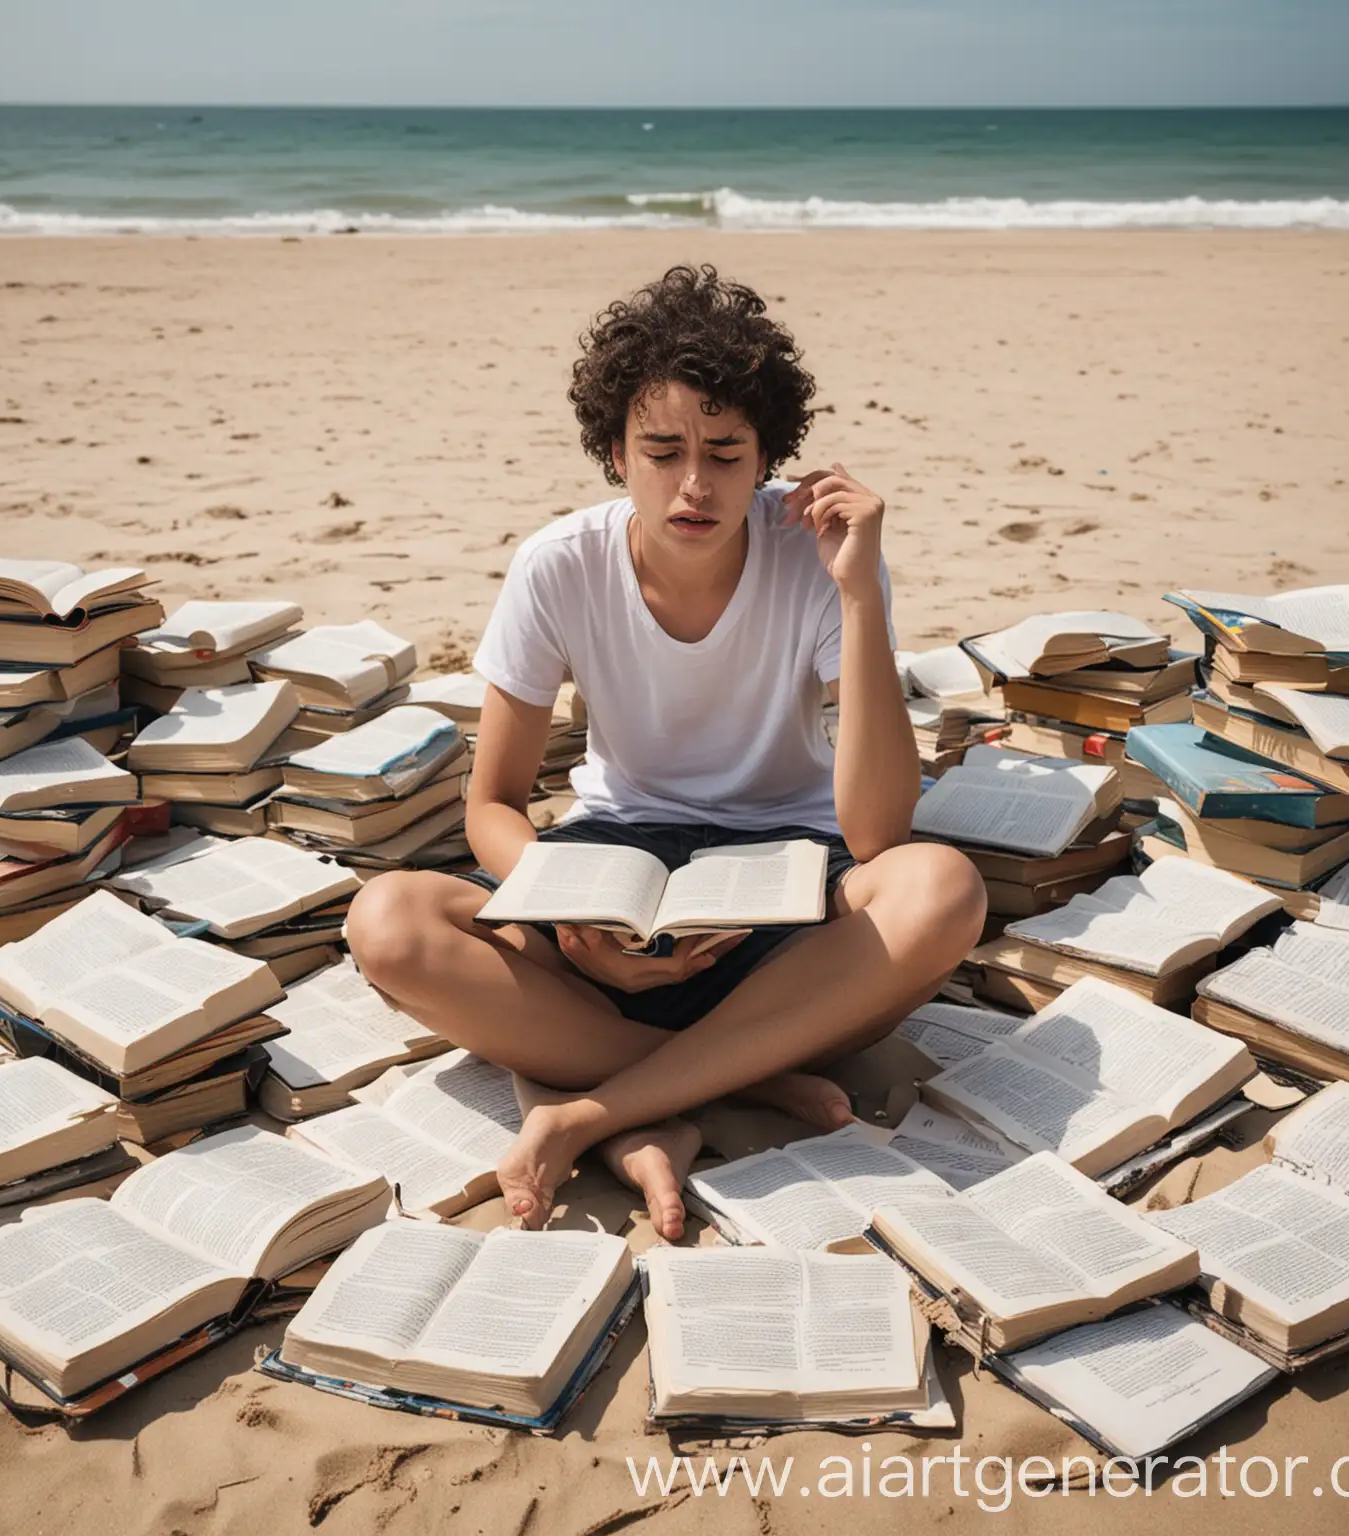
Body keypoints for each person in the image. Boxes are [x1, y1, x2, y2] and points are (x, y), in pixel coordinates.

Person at [346, 264, 986, 1239]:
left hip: (786, 889)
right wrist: (569, 916)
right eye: (664, 450)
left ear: (770, 454)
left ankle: (599, 1107)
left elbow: (877, 827)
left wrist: (859, 597)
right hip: (609, 878)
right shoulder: (558, 564)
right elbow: (493, 805)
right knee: (389, 921)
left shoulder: (822, 563)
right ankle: (743, 1085)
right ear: (614, 451)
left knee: (941, 889)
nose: (695, 484)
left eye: (728, 454)